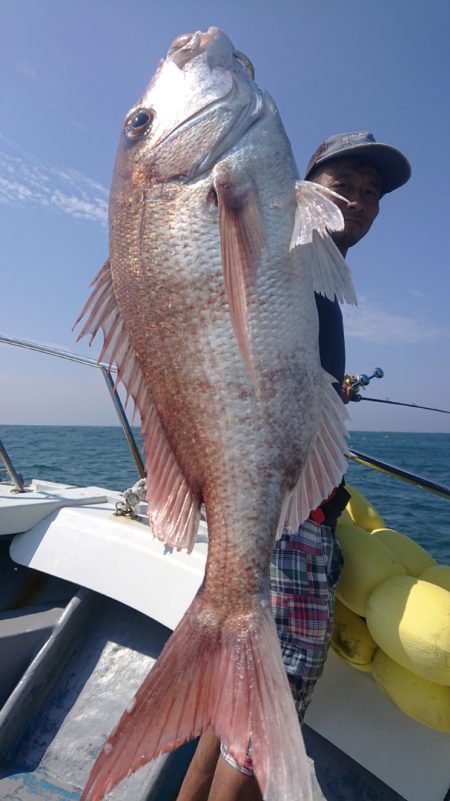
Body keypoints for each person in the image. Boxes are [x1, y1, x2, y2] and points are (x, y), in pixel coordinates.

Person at [176, 131, 411, 801]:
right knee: (262, 732)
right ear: (307, 183)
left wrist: (325, 393)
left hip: (263, 516)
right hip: (289, 523)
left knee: (230, 717)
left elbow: (268, 368)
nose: (361, 201)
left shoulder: (317, 275)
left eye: (372, 194)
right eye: (348, 183)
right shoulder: (292, 251)